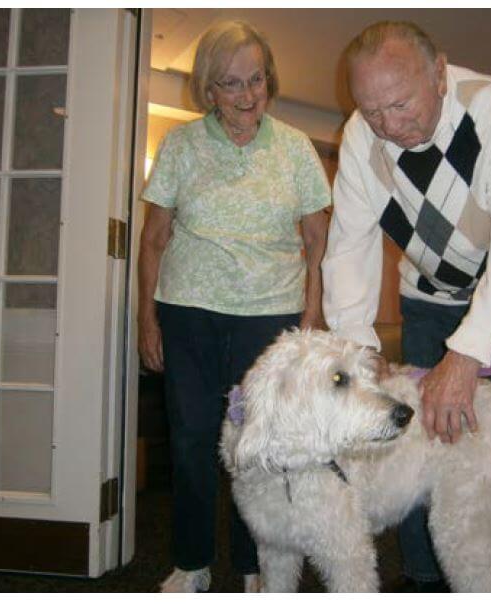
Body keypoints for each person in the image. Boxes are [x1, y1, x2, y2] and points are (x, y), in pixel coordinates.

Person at [321, 21, 491, 592]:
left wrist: (467, 354)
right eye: (371, 110)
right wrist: (359, 346)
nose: (388, 125)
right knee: (413, 428)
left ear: (439, 74)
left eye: (400, 103)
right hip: (429, 289)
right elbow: (350, 246)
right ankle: (426, 578)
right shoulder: (363, 137)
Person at [138, 20, 331, 593]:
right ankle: (193, 562)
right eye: (230, 84)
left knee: (260, 448)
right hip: (189, 313)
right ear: (208, 89)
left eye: (257, 81)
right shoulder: (180, 146)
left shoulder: (295, 148)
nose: (247, 97)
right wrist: (146, 317)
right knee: (193, 439)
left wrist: (313, 312)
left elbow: (319, 242)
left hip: (268, 317)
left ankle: (254, 566)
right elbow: (152, 240)